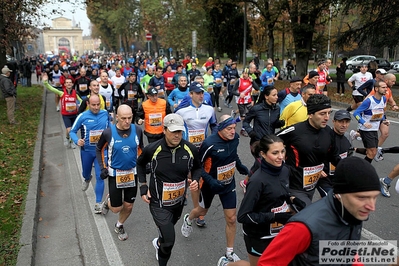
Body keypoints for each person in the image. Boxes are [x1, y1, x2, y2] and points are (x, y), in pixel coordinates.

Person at [257, 156, 381, 265]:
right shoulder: (303, 227)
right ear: (339, 194)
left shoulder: (354, 212)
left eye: (374, 197)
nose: (372, 207)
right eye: (362, 198)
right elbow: (267, 263)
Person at [216, 135, 306, 266]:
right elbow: (243, 216)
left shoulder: (284, 170)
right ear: (263, 154)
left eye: (282, 151)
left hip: (277, 230)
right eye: (275, 153)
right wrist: (275, 216)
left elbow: (280, 191)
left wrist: (292, 199)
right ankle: (226, 264)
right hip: (258, 235)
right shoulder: (258, 181)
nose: (281, 156)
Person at [181, 115, 249, 263]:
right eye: (229, 128)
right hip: (209, 185)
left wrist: (239, 165)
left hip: (228, 184)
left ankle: (229, 253)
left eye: (234, 128)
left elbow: (233, 154)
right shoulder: (209, 143)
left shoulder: (235, 138)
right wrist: (210, 180)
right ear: (221, 128)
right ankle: (189, 218)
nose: (233, 131)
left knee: (231, 218)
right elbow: (197, 165)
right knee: (202, 211)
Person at [137, 114, 202, 266]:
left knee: (166, 235)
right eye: (173, 131)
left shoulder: (190, 149)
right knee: (169, 241)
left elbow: (198, 167)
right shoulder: (153, 149)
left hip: (178, 202)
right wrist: (143, 186)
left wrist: (196, 180)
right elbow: (140, 164)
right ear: (164, 130)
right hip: (158, 203)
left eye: (179, 131)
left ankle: (159, 242)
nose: (177, 135)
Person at [276, 94, 340, 206]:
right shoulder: (295, 131)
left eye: (329, 113)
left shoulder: (328, 132)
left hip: (313, 185)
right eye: (322, 113)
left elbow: (334, 157)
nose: (327, 118)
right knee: (307, 215)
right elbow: (268, 144)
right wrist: (280, 167)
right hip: (294, 186)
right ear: (310, 114)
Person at [96, 104, 144, 241]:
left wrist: (143, 164)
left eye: (130, 118)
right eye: (123, 118)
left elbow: (141, 149)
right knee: (116, 208)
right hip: (115, 174)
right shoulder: (108, 133)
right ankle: (109, 200)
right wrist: (103, 168)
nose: (127, 121)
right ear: (117, 117)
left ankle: (119, 225)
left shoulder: (137, 130)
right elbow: (99, 149)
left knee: (128, 205)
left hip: (131, 174)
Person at [175, 81, 218, 227]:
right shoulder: (182, 111)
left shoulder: (209, 109)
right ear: (191, 94)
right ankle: (197, 211)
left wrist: (216, 142)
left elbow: (214, 126)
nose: (201, 95)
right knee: (194, 181)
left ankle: (195, 203)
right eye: (198, 93)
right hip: (188, 151)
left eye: (202, 93)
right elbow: (174, 127)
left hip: (204, 150)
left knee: (204, 180)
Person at [69, 95, 110, 212]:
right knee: (86, 173)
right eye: (93, 105)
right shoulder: (82, 116)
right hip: (87, 151)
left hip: (101, 152)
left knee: (100, 176)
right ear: (88, 104)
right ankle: (87, 178)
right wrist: (77, 140)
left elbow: (110, 129)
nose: (96, 107)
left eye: (98, 105)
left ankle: (98, 203)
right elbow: (72, 131)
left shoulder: (105, 114)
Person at [317, 110, 353, 198]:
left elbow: (348, 160)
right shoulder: (325, 137)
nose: (344, 125)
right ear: (333, 121)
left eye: (347, 122)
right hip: (324, 179)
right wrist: (318, 169)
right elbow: (311, 155)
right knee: (332, 199)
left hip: (339, 179)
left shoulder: (347, 139)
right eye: (341, 122)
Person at [43, 72, 81, 148]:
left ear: (73, 84)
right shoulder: (61, 93)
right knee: (69, 130)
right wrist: (45, 82)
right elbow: (51, 88)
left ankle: (70, 140)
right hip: (66, 115)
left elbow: (81, 101)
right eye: (67, 83)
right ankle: (70, 140)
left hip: (74, 114)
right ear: (65, 84)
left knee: (73, 130)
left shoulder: (75, 93)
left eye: (70, 82)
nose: (69, 84)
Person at [353, 80, 388, 163]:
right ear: (376, 89)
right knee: (371, 153)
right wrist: (363, 122)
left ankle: (351, 149)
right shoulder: (369, 101)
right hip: (366, 130)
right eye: (383, 87)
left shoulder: (383, 99)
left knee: (373, 151)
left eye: (386, 87)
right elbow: (356, 113)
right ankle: (362, 171)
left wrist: (384, 120)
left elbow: (380, 113)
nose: (386, 89)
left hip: (374, 129)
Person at [232, 68, 260, 137]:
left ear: (248, 74)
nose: (244, 75)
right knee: (243, 117)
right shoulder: (239, 81)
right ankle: (234, 122)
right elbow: (232, 91)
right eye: (243, 73)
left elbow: (257, 88)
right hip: (240, 101)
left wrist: (252, 81)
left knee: (249, 115)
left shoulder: (250, 81)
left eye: (246, 73)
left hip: (248, 101)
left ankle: (242, 129)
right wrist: (239, 94)